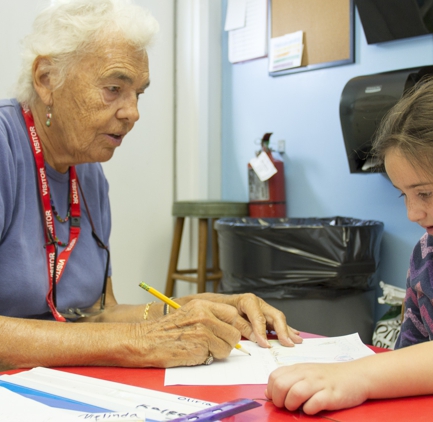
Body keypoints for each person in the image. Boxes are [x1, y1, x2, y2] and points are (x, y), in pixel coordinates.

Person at [0, 0, 302, 371]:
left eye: (138, 93)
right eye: (114, 88)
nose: (133, 112)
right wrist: (138, 342)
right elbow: (112, 336)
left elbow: (97, 313)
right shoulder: (4, 146)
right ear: (46, 79)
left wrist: (194, 310)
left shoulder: (89, 172)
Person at [265, 77, 433, 414]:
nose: (411, 213)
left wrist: (356, 376)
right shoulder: (427, 252)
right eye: (403, 194)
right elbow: (409, 355)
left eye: (424, 193)